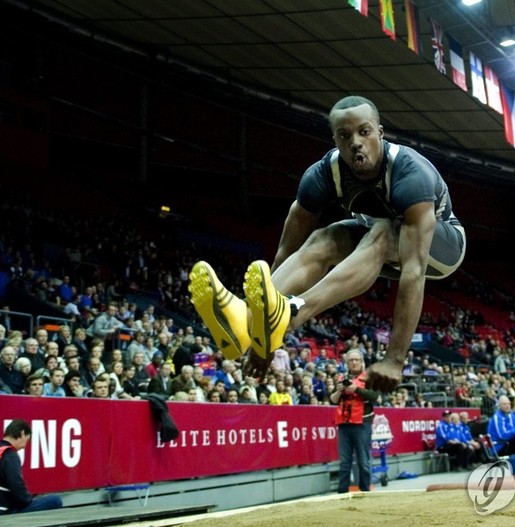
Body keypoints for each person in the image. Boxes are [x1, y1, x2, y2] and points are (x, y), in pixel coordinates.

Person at [189, 95, 465, 391]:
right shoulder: (322, 175)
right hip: (379, 239)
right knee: (324, 237)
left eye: (364, 132)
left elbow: (413, 271)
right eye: (345, 136)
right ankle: (246, 319)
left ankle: (293, 314)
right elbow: (287, 252)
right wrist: (262, 334)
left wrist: (394, 359)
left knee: (383, 232)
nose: (356, 142)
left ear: (381, 133)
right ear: (335, 140)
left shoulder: (410, 173)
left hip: (442, 248)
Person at [0, 419, 63, 517]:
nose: (25, 447)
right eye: (27, 440)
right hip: (2, 515)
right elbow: (19, 491)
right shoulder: (10, 455)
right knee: (55, 500)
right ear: (22, 433)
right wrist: (30, 499)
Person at [329, 349, 379, 493]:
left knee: (363, 461)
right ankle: (342, 492)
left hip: (362, 423)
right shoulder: (341, 378)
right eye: (351, 360)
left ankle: (365, 491)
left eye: (357, 360)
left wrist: (356, 389)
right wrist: (339, 391)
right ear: (347, 363)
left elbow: (375, 396)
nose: (354, 362)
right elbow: (332, 400)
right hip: (344, 424)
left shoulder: (369, 378)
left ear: (362, 362)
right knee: (344, 462)